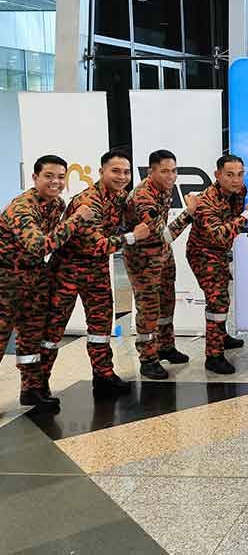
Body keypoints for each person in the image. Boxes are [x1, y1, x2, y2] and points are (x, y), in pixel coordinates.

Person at [45, 149, 150, 395]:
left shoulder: (119, 196)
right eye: (115, 171)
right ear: (102, 171)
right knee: (53, 331)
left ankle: (103, 376)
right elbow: (97, 245)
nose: (122, 177)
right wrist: (133, 237)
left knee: (101, 327)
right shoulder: (88, 201)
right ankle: (37, 385)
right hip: (67, 273)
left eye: (125, 172)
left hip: (96, 271)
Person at [0, 155, 93, 409]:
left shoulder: (56, 205)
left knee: (31, 339)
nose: (55, 182)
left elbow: (55, 240)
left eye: (61, 177)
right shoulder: (22, 208)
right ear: (35, 178)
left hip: (35, 278)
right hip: (6, 279)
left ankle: (31, 390)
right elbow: (40, 245)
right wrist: (76, 220)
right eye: (49, 176)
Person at [124, 149, 198, 380]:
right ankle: (147, 359)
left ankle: (166, 347)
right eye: (164, 171)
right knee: (148, 309)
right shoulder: (142, 197)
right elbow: (164, 235)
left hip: (163, 257)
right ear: (151, 171)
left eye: (173, 171)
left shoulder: (163, 189)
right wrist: (189, 212)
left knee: (166, 304)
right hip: (143, 260)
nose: (171, 176)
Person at [187, 154, 248, 375]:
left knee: (222, 299)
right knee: (217, 301)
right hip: (203, 253)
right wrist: (247, 215)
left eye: (239, 174)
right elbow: (219, 234)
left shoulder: (239, 192)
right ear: (217, 175)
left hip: (220, 253)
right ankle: (214, 355)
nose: (236, 180)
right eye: (229, 175)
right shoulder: (206, 202)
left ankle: (221, 336)